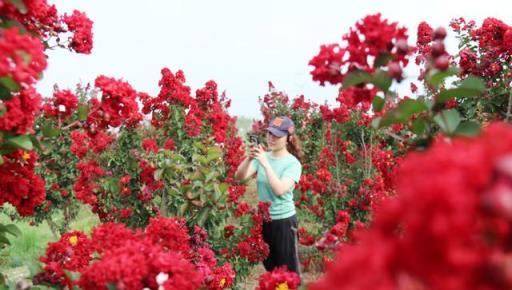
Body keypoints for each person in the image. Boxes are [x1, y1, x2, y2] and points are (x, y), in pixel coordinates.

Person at [234, 116, 303, 277]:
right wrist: (250, 158)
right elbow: (240, 177)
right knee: (271, 268)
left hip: (284, 224)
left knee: (288, 273)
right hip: (265, 221)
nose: (272, 138)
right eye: (270, 134)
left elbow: (279, 189)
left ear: (288, 138)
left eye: (277, 135)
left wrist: (265, 163)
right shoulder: (262, 157)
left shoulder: (293, 164)